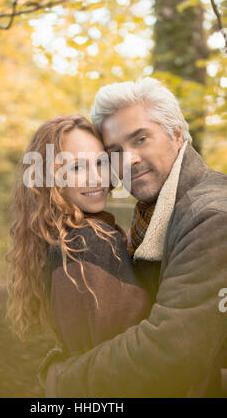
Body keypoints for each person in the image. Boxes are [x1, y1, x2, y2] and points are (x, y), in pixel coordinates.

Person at [43, 77, 227, 398]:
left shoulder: (209, 217)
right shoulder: (152, 213)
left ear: (176, 134)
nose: (127, 160)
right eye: (114, 151)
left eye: (140, 139)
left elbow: (172, 351)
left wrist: (65, 380)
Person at [6, 114, 151, 389]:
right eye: (76, 168)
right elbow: (128, 363)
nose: (97, 178)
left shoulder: (65, 238)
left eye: (100, 163)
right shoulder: (87, 242)